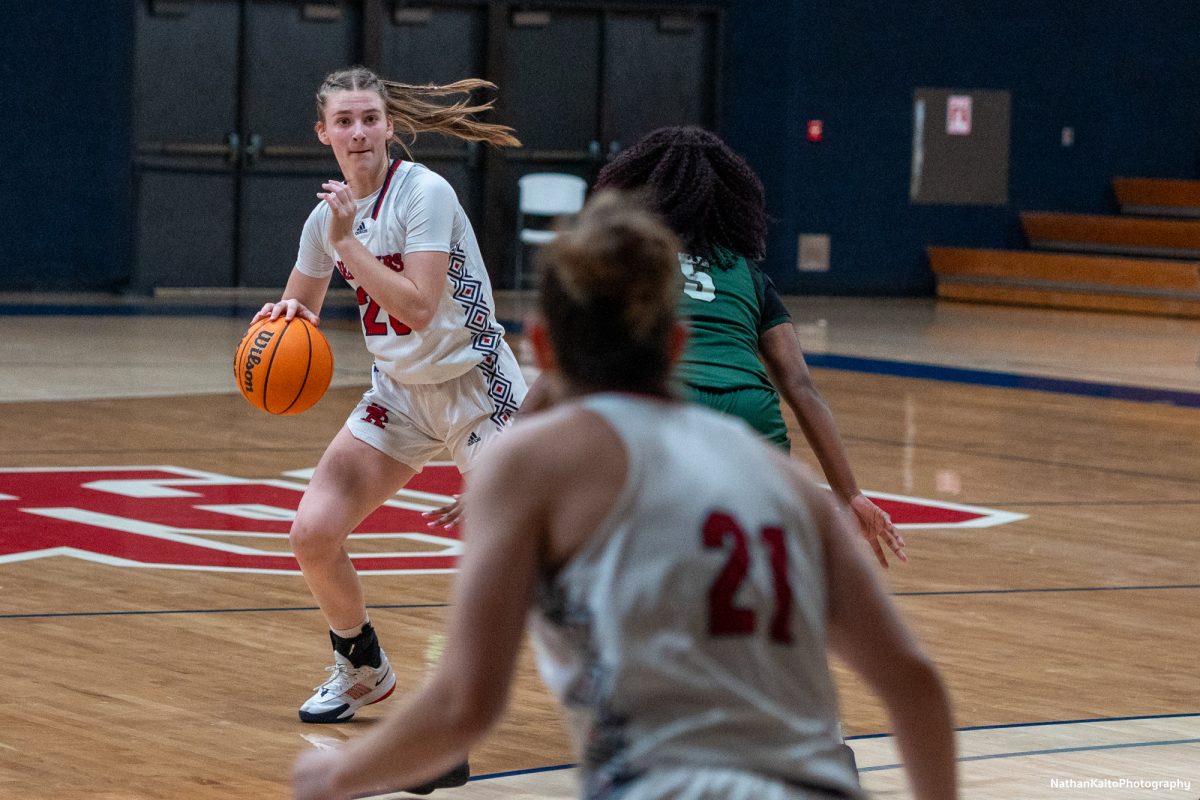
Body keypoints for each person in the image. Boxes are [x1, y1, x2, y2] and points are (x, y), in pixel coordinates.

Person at [290, 192, 958, 800]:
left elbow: (466, 702)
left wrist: (336, 774)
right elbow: (914, 679)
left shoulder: (534, 465)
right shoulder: (783, 481)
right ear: (676, 344)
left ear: (544, 349)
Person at [252, 63, 526, 760]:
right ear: (324, 134)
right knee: (312, 533)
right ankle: (362, 668)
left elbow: (418, 304)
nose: (359, 131)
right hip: (398, 394)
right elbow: (302, 310)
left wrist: (347, 245)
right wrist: (278, 326)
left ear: (390, 126)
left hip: (478, 389)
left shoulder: (423, 192)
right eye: (344, 121)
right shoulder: (327, 217)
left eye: (370, 118)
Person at [586, 126, 905, 569]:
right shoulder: (748, 274)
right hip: (753, 411)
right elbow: (800, 385)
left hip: (671, 401)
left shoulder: (631, 260)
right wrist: (850, 493)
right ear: (731, 199)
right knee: (752, 556)